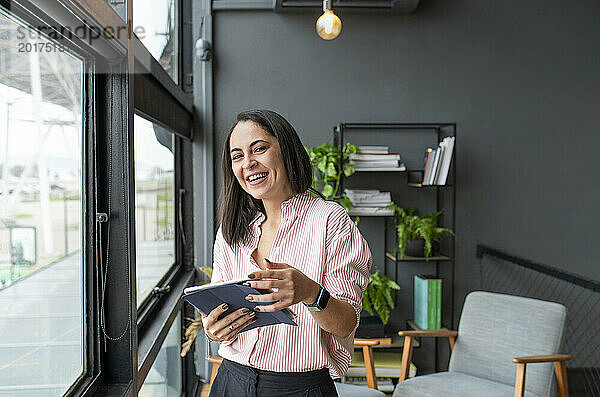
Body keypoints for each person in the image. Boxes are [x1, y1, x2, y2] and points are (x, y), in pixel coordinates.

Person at [202, 109, 372, 397]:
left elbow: (345, 324)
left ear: (287, 150)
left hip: (298, 388)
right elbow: (220, 309)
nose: (249, 163)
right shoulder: (231, 231)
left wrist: (309, 292)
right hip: (230, 378)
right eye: (237, 156)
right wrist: (215, 328)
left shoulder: (330, 221)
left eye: (259, 149)